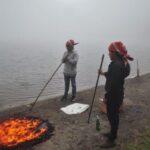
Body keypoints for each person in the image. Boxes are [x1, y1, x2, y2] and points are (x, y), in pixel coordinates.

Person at [99, 41, 133, 148]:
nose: (108, 54)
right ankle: (112, 133)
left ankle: (112, 140)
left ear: (115, 53)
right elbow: (114, 75)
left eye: (110, 52)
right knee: (114, 116)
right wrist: (103, 73)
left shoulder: (115, 65)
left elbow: (111, 84)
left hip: (113, 95)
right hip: (119, 94)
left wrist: (106, 97)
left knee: (112, 116)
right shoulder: (123, 63)